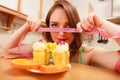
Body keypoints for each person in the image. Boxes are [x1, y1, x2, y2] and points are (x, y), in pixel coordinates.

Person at [2, 0, 120, 72]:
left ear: (76, 28)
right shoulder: (43, 48)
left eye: (68, 26)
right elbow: (8, 48)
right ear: (47, 27)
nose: (61, 32)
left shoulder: (88, 54)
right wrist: (27, 26)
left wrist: (102, 23)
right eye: (54, 25)